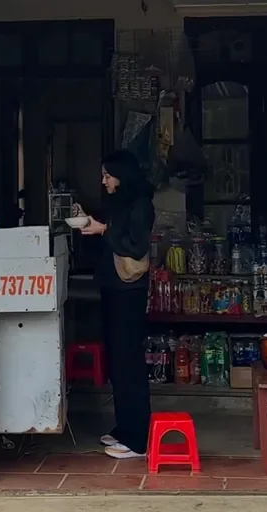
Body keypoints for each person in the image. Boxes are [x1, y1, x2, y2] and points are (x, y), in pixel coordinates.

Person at [81, 149, 154, 460]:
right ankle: (124, 427)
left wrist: (104, 230)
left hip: (129, 290)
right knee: (116, 359)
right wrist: (94, 223)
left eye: (107, 175)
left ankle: (138, 438)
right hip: (112, 286)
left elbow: (136, 246)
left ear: (122, 176)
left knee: (129, 362)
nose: (104, 181)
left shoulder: (141, 205)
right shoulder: (119, 202)